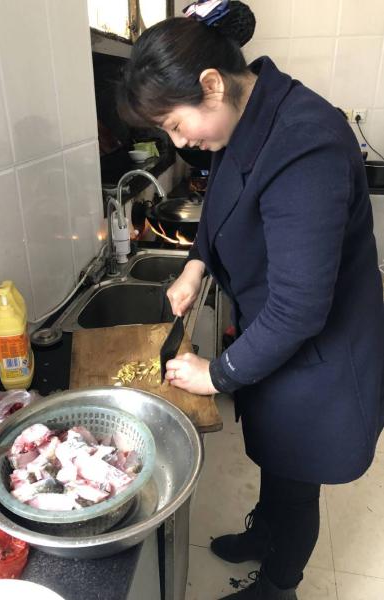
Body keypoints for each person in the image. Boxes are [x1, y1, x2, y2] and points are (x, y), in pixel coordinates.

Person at [117, 1, 384, 598]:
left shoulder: (304, 142)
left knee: (299, 472)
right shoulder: (244, 118)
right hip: (277, 335)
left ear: (212, 84)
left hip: (319, 350)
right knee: (277, 454)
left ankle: (280, 585)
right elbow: (220, 204)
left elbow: (300, 307)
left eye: (176, 123)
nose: (179, 140)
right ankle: (265, 532)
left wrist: (216, 374)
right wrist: (196, 265)